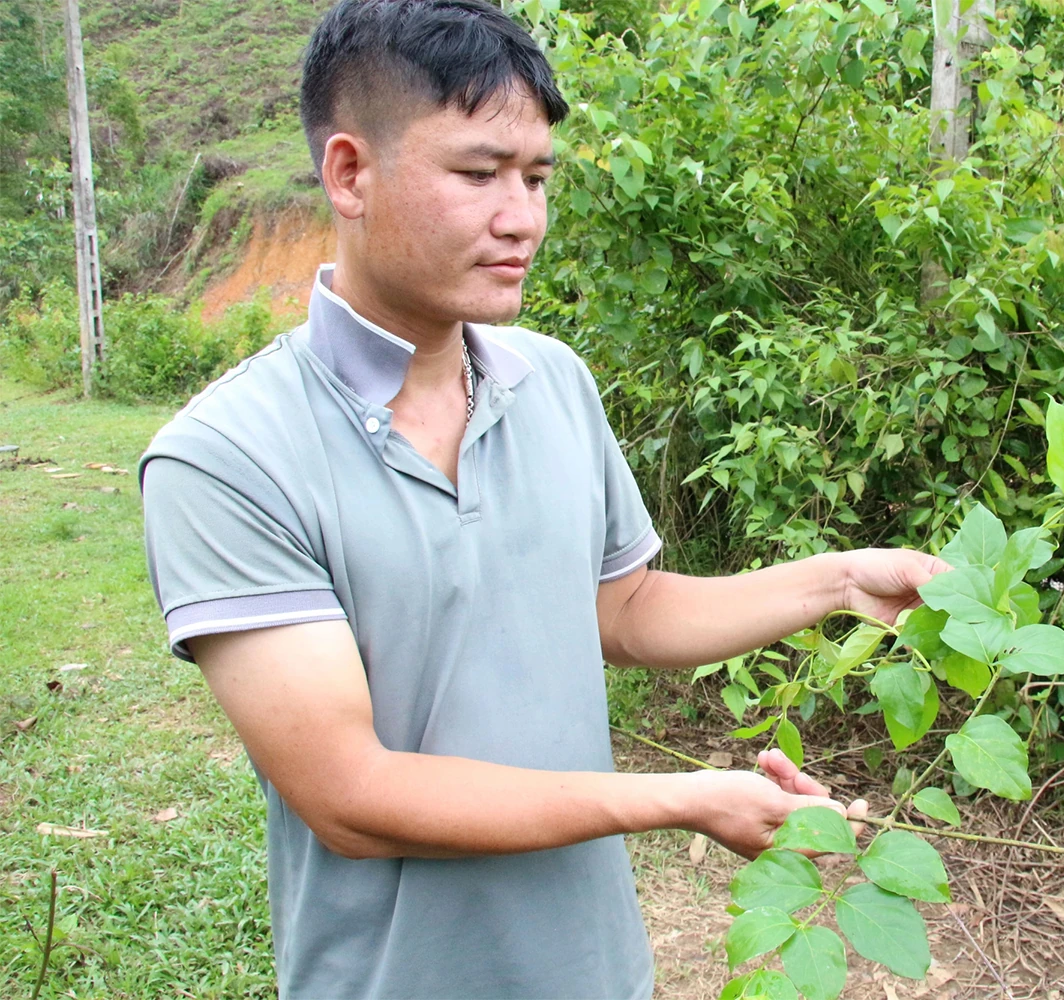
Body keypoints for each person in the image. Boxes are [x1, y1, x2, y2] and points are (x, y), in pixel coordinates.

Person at [139, 1, 945, 997]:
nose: (521, 216)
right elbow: (351, 794)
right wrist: (681, 798)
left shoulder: (550, 379)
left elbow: (623, 606)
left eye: (535, 176)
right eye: (477, 174)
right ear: (350, 173)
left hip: (597, 970)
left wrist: (840, 582)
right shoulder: (227, 458)